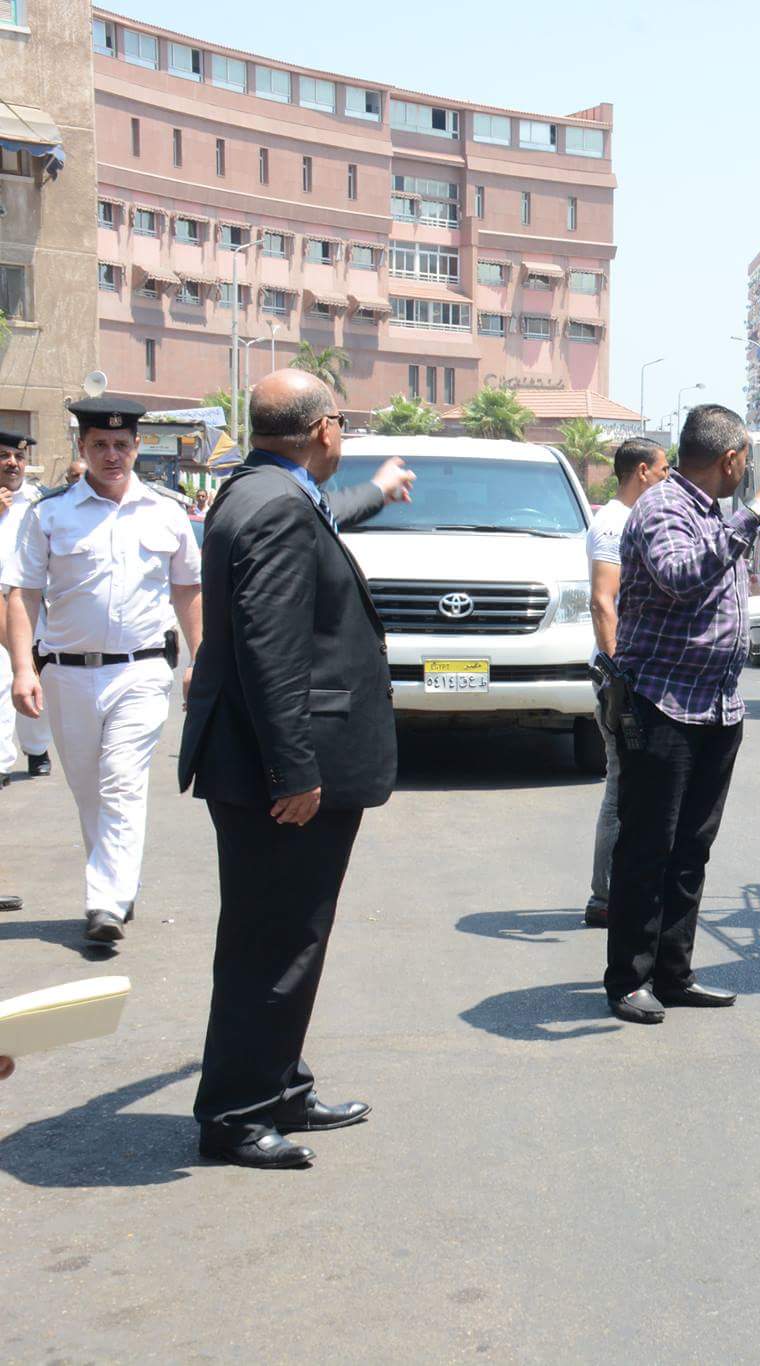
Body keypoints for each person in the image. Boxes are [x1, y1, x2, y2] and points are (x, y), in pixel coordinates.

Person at [180, 370, 415, 1170]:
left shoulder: (258, 490)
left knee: (290, 935)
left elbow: (324, 513)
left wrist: (376, 491)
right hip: (273, 773)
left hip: (259, 762)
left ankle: (277, 1085)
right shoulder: (276, 507)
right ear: (325, 429)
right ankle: (236, 1115)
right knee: (271, 942)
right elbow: (270, 651)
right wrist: (295, 771)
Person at [604, 405, 760, 1024]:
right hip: (664, 706)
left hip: (716, 707)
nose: (748, 472)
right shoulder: (664, 506)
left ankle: (673, 972)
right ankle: (628, 980)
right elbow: (678, 577)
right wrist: (753, 512)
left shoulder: (713, 514)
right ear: (730, 459)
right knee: (648, 848)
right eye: (745, 459)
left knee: (692, 847)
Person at [4, 399, 203, 945]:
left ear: (136, 447)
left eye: (121, 445)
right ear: (82, 448)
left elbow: (187, 588)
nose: (111, 455)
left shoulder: (166, 510)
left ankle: (105, 900)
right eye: (99, 445)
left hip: (139, 673)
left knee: (120, 781)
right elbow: (23, 594)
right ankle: (117, 884)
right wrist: (23, 669)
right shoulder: (49, 513)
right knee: (89, 790)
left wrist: (200, 657)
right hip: (66, 673)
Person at [582, 436, 671, 930]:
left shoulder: (630, 519)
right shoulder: (614, 523)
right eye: (661, 471)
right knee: (620, 788)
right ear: (641, 471)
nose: (665, 479)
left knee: (629, 787)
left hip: (631, 672)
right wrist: (620, 675)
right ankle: (604, 897)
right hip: (620, 677)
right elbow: (603, 602)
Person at [0, 428, 54, 780]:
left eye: (19, 457)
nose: (12, 463)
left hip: (31, 604)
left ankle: (37, 748)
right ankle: (3, 761)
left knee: (37, 676)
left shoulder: (40, 502)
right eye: (5, 456)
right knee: (3, 680)